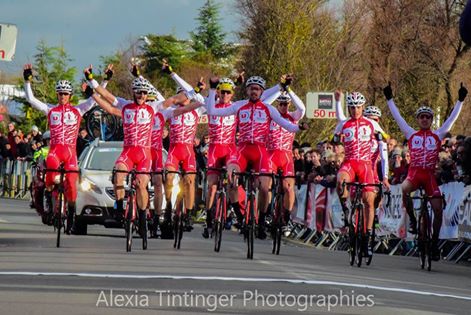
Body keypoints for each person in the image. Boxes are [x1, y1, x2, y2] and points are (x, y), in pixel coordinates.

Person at [87, 65, 202, 239]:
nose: (141, 96)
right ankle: (119, 207)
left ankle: (143, 215)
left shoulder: (154, 108)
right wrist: (91, 81)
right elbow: (109, 102)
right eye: (138, 93)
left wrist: (196, 91)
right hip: (128, 151)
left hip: (144, 154)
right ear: (134, 93)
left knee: (142, 184)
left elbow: (175, 99)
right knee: (118, 174)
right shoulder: (125, 106)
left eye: (144, 94)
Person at [207, 75, 307, 240]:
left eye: (257, 89)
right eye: (251, 88)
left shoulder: (269, 109)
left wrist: (299, 127)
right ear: (247, 90)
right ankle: (240, 217)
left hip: (261, 151)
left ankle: (260, 221)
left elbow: (287, 125)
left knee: (263, 187)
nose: (254, 91)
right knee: (231, 179)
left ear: (262, 92)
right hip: (242, 150)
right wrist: (211, 90)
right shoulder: (239, 106)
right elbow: (212, 111)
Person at [383, 82, 467, 261]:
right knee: (404, 189)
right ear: (418, 119)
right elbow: (398, 118)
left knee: (437, 209)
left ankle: (435, 243)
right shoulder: (410, 134)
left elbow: (451, 119)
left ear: (431, 120)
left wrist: (460, 101)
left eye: (427, 117)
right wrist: (389, 100)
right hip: (414, 174)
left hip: (429, 176)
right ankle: (413, 220)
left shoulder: (438, 135)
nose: (424, 120)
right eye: (421, 117)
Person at [23, 64, 98, 234]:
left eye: (66, 94)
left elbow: (94, 100)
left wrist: (97, 81)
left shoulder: (78, 110)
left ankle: (71, 210)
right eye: (60, 93)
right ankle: (50, 197)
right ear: (57, 94)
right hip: (55, 151)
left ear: (70, 95)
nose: (63, 96)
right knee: (50, 166)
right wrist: (27, 80)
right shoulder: (51, 110)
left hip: (70, 153)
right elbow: (31, 100)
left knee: (72, 185)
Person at [333, 90, 388, 257]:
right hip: (349, 163)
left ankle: (367, 236)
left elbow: (385, 138)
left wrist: (381, 136)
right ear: (348, 108)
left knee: (369, 202)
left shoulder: (371, 123)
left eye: (358, 107)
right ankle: (346, 210)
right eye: (352, 107)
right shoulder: (343, 123)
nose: (355, 110)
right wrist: (335, 139)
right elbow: (334, 139)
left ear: (362, 107)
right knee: (340, 181)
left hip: (366, 166)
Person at [266, 79, 306, 235]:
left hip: (286, 156)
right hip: (270, 154)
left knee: (289, 189)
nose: (284, 106)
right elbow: (265, 103)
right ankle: (268, 213)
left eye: (286, 104)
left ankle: (286, 219)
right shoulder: (271, 115)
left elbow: (302, 108)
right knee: (267, 185)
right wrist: (278, 91)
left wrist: (289, 90)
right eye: (281, 104)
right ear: (277, 105)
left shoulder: (293, 117)